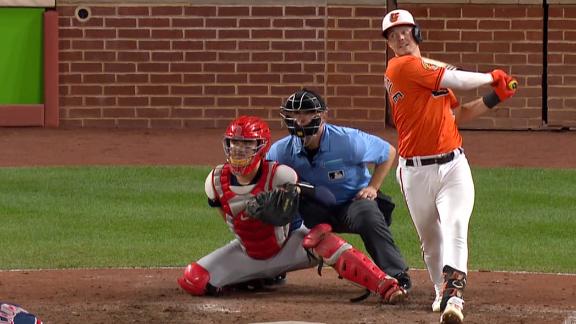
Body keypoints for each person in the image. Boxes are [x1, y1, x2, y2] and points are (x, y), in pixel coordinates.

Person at [177, 115, 406, 304]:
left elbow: (324, 197)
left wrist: (293, 199)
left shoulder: (280, 175)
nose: (239, 150)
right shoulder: (214, 182)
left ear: (261, 147)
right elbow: (232, 222)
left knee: (322, 241)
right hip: (249, 252)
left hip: (288, 247)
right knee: (193, 279)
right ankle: (258, 276)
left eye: (246, 144)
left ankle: (386, 284)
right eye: (234, 143)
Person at [381, 8, 517, 324]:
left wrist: (495, 97)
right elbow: (454, 77)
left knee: (456, 223)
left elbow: (457, 115)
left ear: (416, 32)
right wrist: (491, 77)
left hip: (454, 164)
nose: (399, 36)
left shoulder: (429, 69)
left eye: (404, 30)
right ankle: (441, 291)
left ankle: (454, 296)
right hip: (414, 171)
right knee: (431, 241)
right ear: (389, 43)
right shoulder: (400, 68)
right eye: (392, 34)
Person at [266, 89, 412, 292]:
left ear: (322, 115)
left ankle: (397, 274)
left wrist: (373, 187)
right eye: (294, 114)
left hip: (352, 203)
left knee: (368, 214)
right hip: (315, 209)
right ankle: (272, 269)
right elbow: (267, 178)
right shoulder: (281, 150)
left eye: (305, 113)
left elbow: (388, 152)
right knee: (279, 207)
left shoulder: (348, 141)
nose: (299, 120)